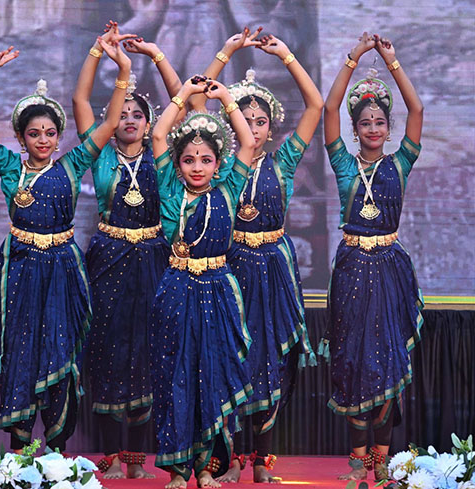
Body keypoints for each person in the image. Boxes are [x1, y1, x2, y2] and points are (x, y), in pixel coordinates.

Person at [0, 42, 131, 453]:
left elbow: (110, 123)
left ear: (59, 137)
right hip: (21, 271)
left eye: (50, 133)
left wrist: (122, 68)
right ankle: (20, 454)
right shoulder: (8, 166)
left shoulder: (72, 165)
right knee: (21, 354)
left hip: (62, 272)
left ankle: (58, 457)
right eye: (34, 133)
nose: (43, 139)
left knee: (60, 353)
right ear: (21, 137)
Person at [191, 33, 323, 484]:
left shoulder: (283, 162)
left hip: (272, 270)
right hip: (229, 272)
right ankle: (227, 459)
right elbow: (197, 101)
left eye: (260, 120)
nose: (253, 127)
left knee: (269, 360)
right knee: (230, 359)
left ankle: (263, 460)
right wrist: (224, 55)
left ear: (271, 125)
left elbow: (315, 106)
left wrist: (286, 55)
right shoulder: (222, 167)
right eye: (245, 120)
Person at [72, 22, 182, 479]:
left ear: (151, 123)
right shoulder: (99, 154)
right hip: (108, 258)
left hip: (153, 260)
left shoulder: (164, 155)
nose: (131, 119)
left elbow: (186, 103)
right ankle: (111, 456)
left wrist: (157, 56)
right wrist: (97, 52)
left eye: (139, 114)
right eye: (124, 113)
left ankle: (136, 460)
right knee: (107, 351)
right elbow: (80, 101)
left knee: (146, 354)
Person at [322, 32, 424, 481]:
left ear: (388, 127)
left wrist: (391, 61)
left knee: (386, 364)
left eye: (380, 122)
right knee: (353, 363)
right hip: (351, 272)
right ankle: (358, 460)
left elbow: (417, 110)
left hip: (388, 272)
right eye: (365, 123)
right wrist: (355, 57)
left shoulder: (400, 163)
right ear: (355, 129)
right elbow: (329, 110)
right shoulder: (344, 165)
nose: (374, 129)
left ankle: (381, 459)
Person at [150, 76, 257, 489]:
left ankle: (207, 467)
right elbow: (159, 134)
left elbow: (246, 143)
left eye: (206, 160)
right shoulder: (169, 190)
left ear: (217, 163)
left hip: (218, 291)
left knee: (213, 374)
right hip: (176, 290)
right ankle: (179, 470)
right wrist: (182, 96)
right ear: (178, 164)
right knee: (176, 374)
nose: (197, 167)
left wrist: (226, 98)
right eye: (189, 160)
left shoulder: (228, 190)